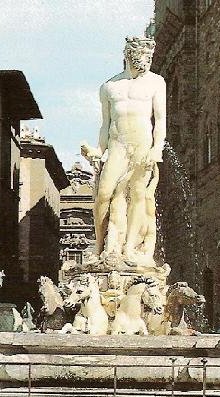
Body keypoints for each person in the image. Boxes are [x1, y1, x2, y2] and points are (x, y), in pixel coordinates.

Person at [81, 36, 166, 265]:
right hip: (118, 146)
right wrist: (98, 151)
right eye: (142, 57)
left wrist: (156, 150)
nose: (147, 62)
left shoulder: (156, 82)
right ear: (129, 56)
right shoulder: (109, 86)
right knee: (104, 195)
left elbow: (160, 120)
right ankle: (99, 246)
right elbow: (105, 125)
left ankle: (129, 247)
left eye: (149, 58)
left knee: (138, 194)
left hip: (142, 146)